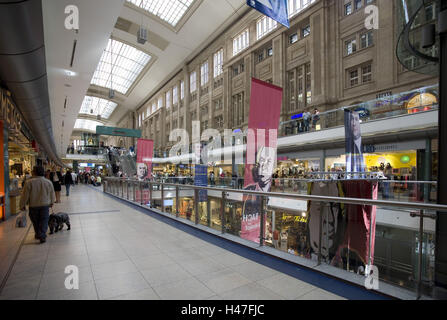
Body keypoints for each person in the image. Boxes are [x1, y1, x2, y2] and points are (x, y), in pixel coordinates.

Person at [20, 166, 56, 243]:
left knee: (35, 221)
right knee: (44, 220)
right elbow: (52, 194)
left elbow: (25, 195)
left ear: (34, 172)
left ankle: (39, 234)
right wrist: (52, 202)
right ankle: (42, 234)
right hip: (45, 205)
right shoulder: (48, 182)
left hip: (33, 205)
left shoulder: (29, 182)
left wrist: (22, 205)